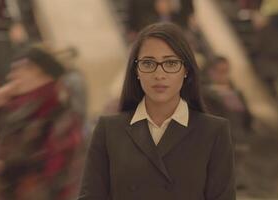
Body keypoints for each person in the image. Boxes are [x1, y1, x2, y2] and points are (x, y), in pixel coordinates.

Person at [78, 22, 235, 200]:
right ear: (136, 70)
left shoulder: (214, 131)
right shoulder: (108, 129)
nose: (159, 74)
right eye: (148, 63)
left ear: (186, 70)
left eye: (170, 63)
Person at [0, 47, 84, 200]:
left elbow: (54, 174)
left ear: (42, 74)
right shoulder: (20, 107)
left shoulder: (60, 116)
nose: (11, 76)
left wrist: (2, 170)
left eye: (19, 69)